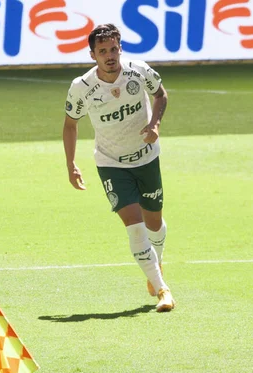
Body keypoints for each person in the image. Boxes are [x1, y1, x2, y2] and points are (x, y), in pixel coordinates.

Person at [63, 24, 175, 312]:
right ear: (93, 55)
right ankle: (163, 290)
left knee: (154, 224)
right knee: (136, 229)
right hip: (111, 164)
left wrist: (155, 124)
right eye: (103, 51)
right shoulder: (82, 87)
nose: (109, 55)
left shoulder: (139, 71)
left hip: (147, 158)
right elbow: (70, 124)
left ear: (120, 48)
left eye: (113, 49)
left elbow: (161, 95)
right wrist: (71, 163)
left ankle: (157, 263)